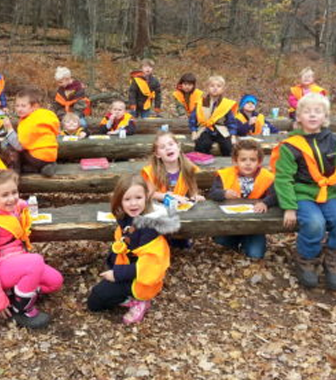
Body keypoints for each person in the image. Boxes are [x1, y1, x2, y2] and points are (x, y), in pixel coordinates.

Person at [271, 93, 336, 290]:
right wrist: (289, 207)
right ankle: (306, 259)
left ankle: (334, 261)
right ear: (298, 117)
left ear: (325, 117)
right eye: (307, 112)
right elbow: (283, 179)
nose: (312, 115)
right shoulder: (290, 146)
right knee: (314, 222)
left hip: (328, 193)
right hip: (301, 194)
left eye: (317, 112)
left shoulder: (335, 142)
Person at [0, 170, 63, 328]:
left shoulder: (8, 208)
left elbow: (17, 204)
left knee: (55, 281)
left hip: (14, 261)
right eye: (5, 195)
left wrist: (22, 205)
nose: (12, 198)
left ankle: (18, 293)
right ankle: (21, 308)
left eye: (14, 192)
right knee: (35, 261)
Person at [87, 174, 179, 324]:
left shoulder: (151, 228)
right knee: (95, 301)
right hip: (128, 267)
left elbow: (150, 266)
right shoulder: (126, 218)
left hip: (142, 276)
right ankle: (125, 293)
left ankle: (140, 300)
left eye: (138, 198)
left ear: (146, 197)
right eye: (127, 199)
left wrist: (117, 274)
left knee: (96, 301)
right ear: (120, 201)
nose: (133, 204)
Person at [208, 139, 277, 259]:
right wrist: (224, 193)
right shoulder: (225, 175)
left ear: (259, 162)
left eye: (253, 160)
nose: (248, 163)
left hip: (255, 226)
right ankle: (235, 239)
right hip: (230, 222)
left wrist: (265, 202)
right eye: (243, 160)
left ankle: (247, 241)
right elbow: (212, 193)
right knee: (221, 243)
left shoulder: (268, 178)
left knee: (255, 255)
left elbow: (276, 195)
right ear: (235, 161)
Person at [140, 131, 204, 250]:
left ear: (178, 147)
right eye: (163, 147)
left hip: (180, 208)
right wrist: (165, 196)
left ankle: (181, 238)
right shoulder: (152, 171)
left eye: (171, 144)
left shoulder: (188, 168)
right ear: (157, 154)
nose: (168, 148)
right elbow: (148, 194)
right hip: (159, 208)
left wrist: (195, 196)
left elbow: (192, 189)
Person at [2, 88, 60, 177]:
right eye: (17, 106)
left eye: (23, 106)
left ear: (34, 106)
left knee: (12, 148)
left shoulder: (29, 122)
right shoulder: (46, 115)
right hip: (50, 157)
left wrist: (9, 129)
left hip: (37, 158)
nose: (19, 109)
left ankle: (14, 173)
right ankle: (47, 166)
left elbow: (19, 146)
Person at [189, 75, 238, 157]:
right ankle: (203, 165)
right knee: (202, 144)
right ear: (207, 88)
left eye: (218, 86)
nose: (215, 88)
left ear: (223, 89)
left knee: (228, 147)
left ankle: (226, 166)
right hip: (205, 129)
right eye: (212, 86)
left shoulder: (225, 104)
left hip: (221, 130)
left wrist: (233, 136)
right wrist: (194, 132)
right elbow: (193, 119)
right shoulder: (201, 102)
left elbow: (231, 122)